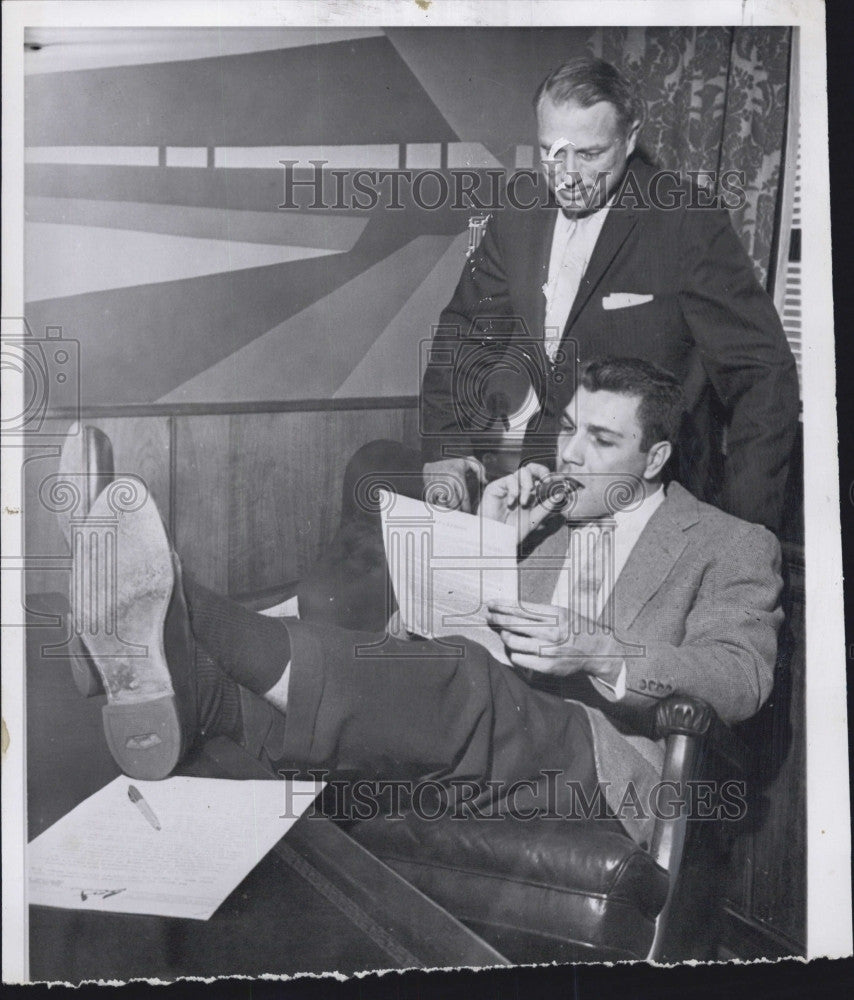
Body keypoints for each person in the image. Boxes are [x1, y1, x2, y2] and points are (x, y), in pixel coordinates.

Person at [69, 358, 783, 846]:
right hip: (479, 731)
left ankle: (176, 603)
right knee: (443, 679)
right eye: (568, 427)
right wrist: (487, 543)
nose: (570, 454)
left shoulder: (728, 544)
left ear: (654, 459)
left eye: (601, 439)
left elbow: (739, 676)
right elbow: (414, 643)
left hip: (599, 761)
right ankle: (189, 685)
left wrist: (598, 648)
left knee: (469, 684)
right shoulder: (540, 519)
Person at [420, 55, 799, 534]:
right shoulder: (517, 216)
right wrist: (447, 451)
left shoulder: (686, 221)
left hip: (652, 507)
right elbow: (464, 334)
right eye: (551, 152)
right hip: (543, 491)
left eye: (591, 154)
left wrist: (743, 533)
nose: (568, 176)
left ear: (631, 137)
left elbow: (764, 375)